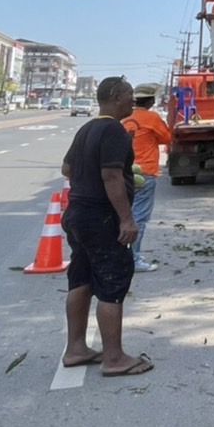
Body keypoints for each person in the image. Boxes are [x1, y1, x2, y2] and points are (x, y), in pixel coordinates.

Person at [58, 76, 153, 376]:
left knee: (81, 278)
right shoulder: (114, 130)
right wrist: (126, 218)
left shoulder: (87, 128)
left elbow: (67, 168)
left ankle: (75, 348)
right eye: (128, 95)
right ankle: (114, 358)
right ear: (114, 96)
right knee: (113, 279)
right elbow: (110, 176)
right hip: (100, 217)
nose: (132, 101)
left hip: (77, 214)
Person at [122, 83, 172, 273]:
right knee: (139, 217)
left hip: (124, 172)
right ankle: (133, 259)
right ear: (151, 101)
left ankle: (124, 255)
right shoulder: (152, 118)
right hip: (145, 173)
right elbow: (167, 138)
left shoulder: (125, 117)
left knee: (124, 214)